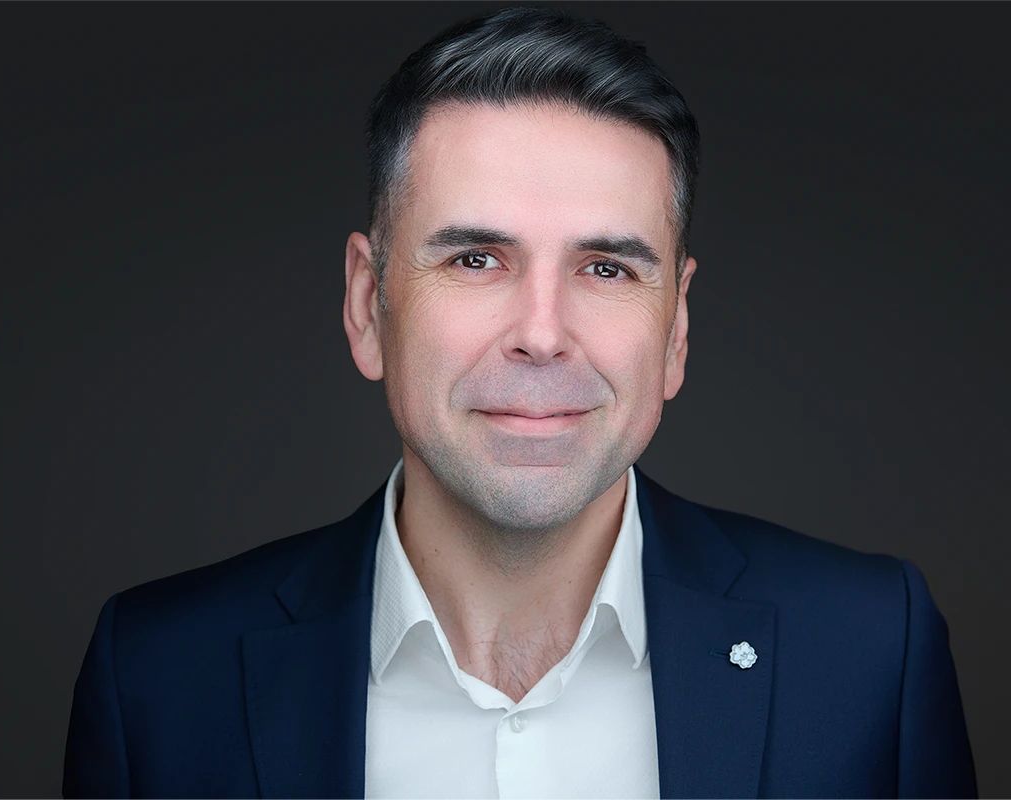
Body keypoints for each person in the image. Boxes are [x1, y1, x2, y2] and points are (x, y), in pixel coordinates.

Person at [62, 8, 976, 798]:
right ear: (365, 305)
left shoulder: (868, 656)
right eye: (475, 259)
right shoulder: (156, 679)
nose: (543, 332)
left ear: (677, 331)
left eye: (607, 267)